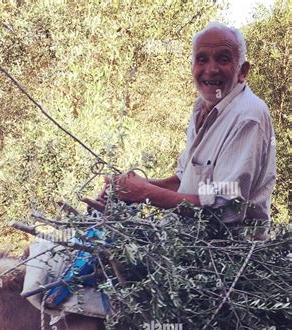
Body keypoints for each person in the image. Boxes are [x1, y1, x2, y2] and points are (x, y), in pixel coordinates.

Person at [97, 22, 276, 238]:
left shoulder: (248, 116)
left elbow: (226, 208)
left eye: (223, 59)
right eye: (202, 59)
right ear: (192, 66)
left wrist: (144, 192)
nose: (211, 69)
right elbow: (185, 182)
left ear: (242, 71)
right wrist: (131, 186)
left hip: (223, 258)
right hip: (186, 241)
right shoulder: (203, 107)